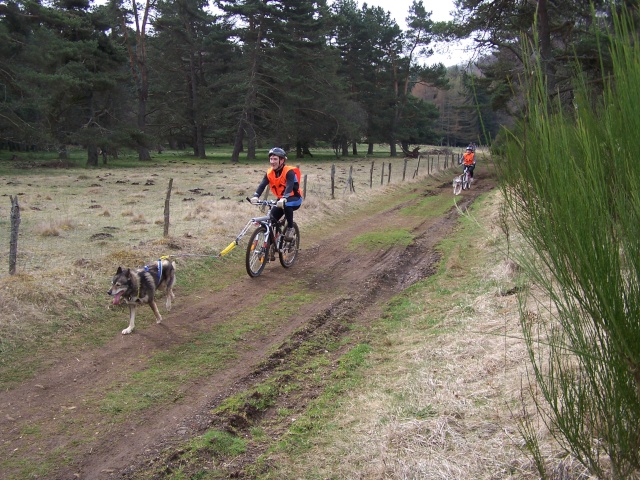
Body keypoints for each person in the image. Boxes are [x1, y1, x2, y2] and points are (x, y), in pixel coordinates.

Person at [250, 147, 302, 241]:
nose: (272, 162)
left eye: (275, 159)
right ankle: (270, 246)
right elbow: (262, 184)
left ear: (282, 160)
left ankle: (290, 228)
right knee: (270, 220)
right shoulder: (269, 172)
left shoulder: (289, 171)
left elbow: (289, 186)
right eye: (271, 159)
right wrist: (256, 195)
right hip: (281, 199)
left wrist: (284, 198)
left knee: (286, 204)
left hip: (294, 198)